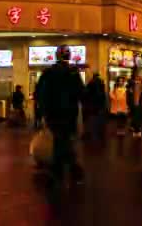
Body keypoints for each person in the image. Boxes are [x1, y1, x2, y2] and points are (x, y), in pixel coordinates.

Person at [35, 45, 85, 184]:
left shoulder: (48, 73)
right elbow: (81, 93)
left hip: (52, 114)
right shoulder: (73, 72)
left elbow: (39, 93)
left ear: (57, 56)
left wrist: (43, 112)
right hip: (69, 114)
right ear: (68, 56)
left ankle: (58, 171)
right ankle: (73, 170)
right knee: (66, 140)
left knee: (58, 140)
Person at [83, 73, 107, 141]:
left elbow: (86, 93)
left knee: (92, 119)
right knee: (99, 119)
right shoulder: (101, 83)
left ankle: (94, 135)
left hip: (92, 104)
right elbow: (103, 95)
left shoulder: (91, 83)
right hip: (100, 104)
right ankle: (100, 134)